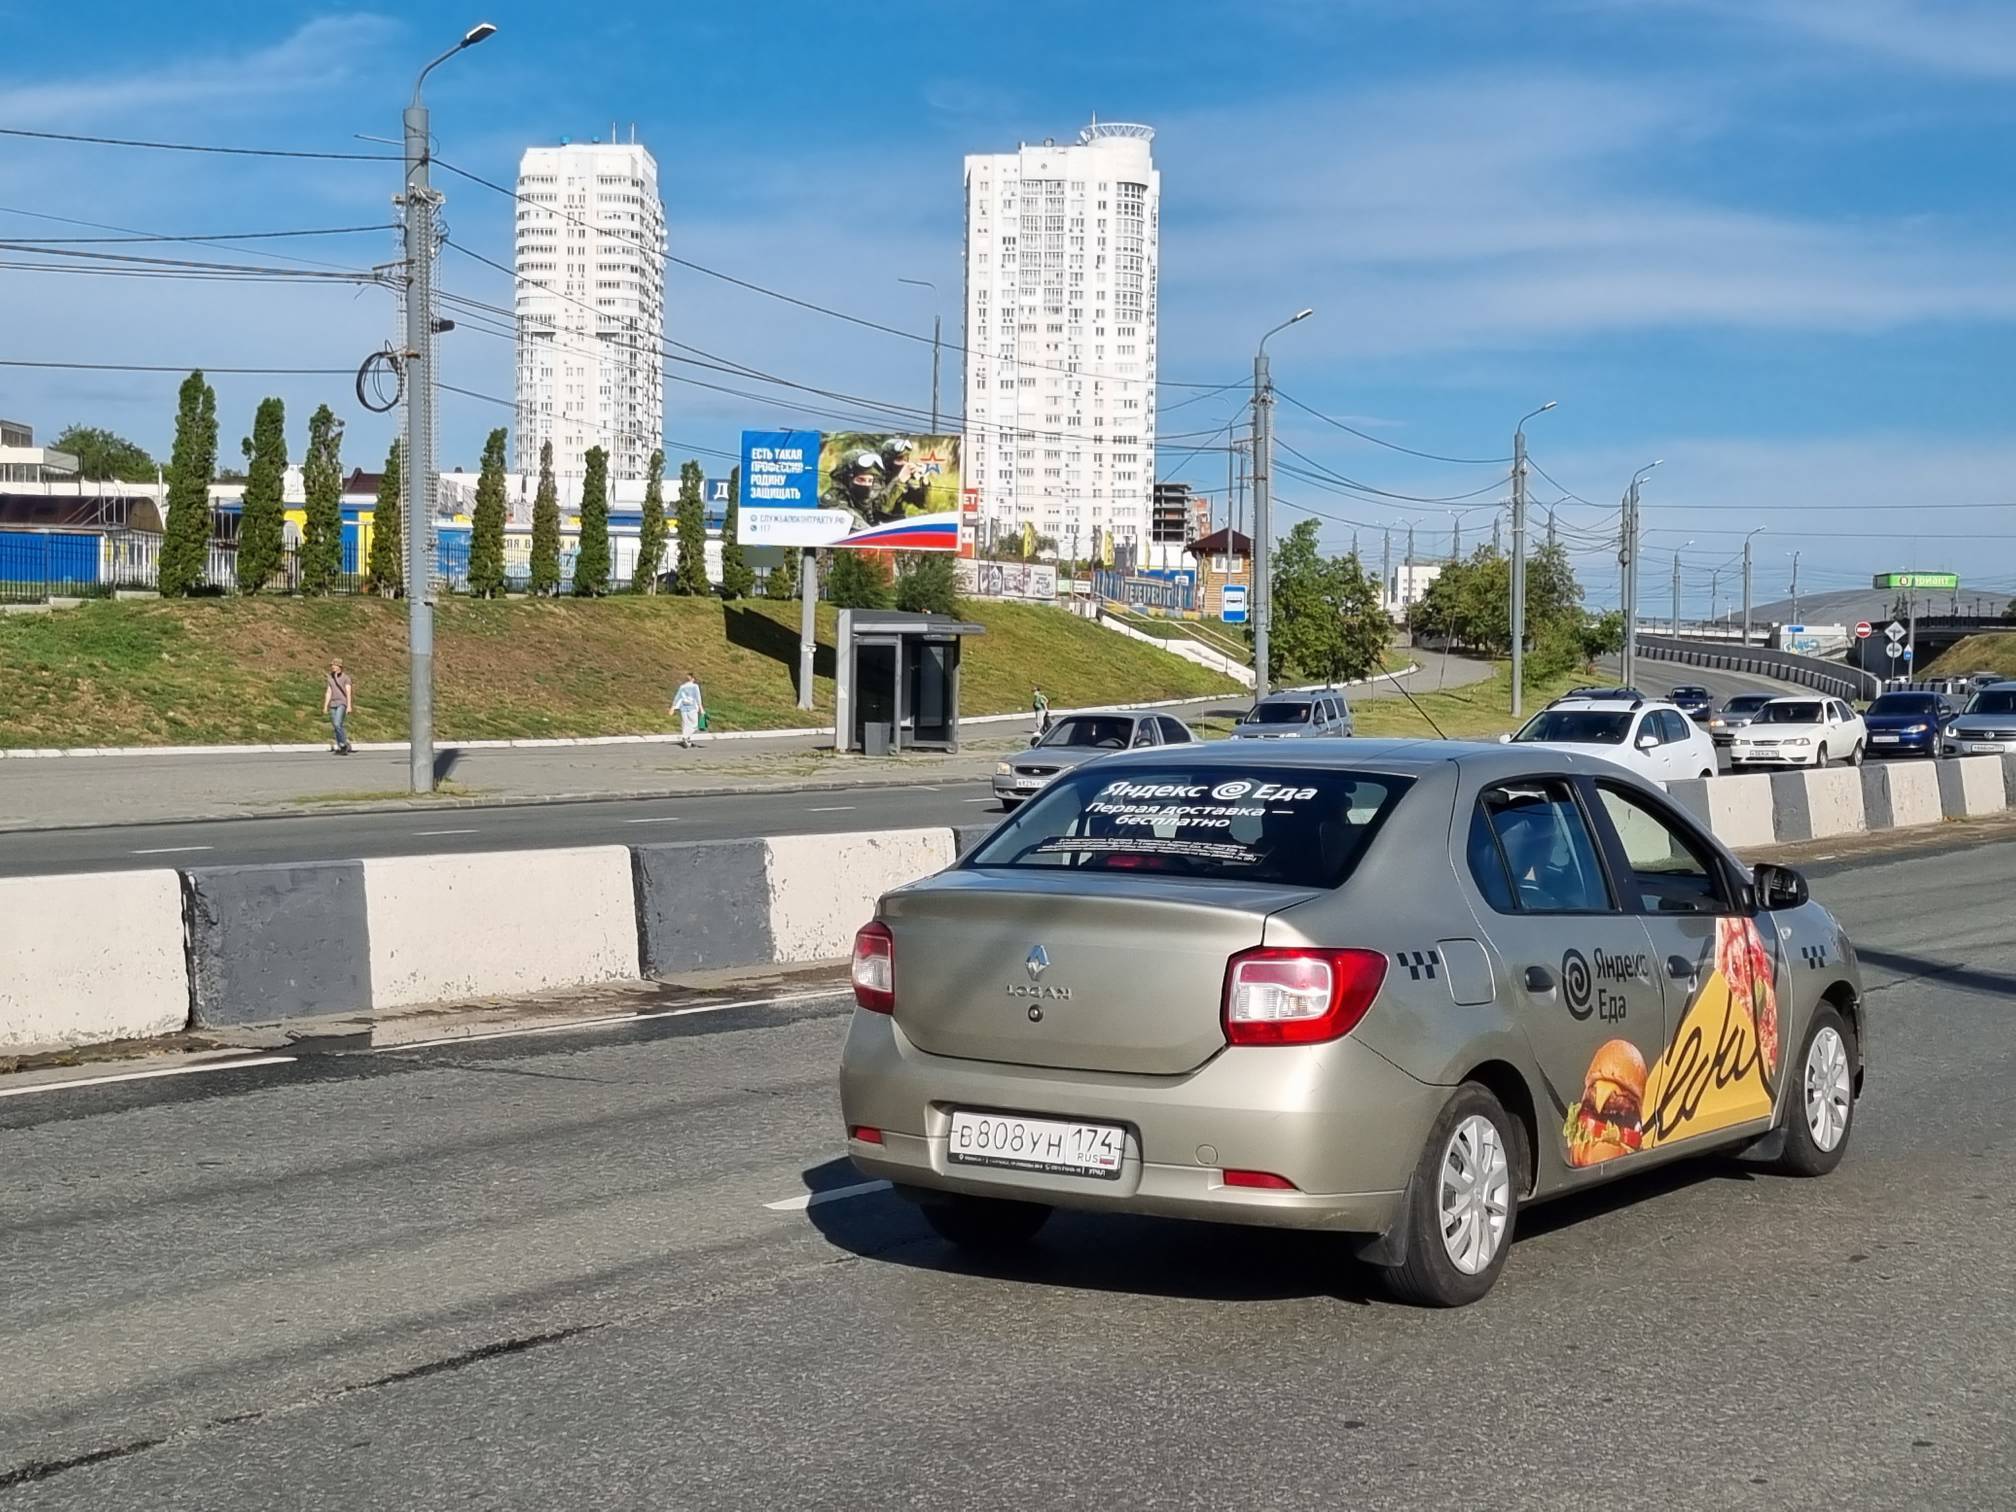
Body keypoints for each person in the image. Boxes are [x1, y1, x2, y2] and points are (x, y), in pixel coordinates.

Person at [322, 659, 354, 755]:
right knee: (336, 726)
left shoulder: (346, 678)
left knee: (337, 723)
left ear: (340, 667)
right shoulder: (330, 678)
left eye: (335, 665)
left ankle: (343, 744)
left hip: (342, 703)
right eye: (332, 665)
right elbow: (329, 692)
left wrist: (349, 706)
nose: (333, 667)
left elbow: (348, 692)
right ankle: (341, 745)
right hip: (333, 703)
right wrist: (325, 705)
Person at [670, 672, 705, 749]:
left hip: (683, 708)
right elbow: (698, 698)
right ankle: (686, 737)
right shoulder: (695, 686)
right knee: (694, 724)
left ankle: (687, 739)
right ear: (693, 679)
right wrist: (701, 708)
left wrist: (673, 707)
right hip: (692, 708)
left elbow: (677, 697)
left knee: (685, 724)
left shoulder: (682, 687)